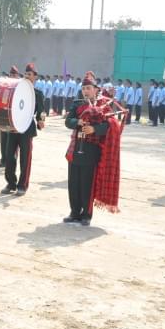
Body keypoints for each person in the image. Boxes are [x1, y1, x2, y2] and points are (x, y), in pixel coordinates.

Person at [64, 72, 122, 226]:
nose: (85, 91)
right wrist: (78, 122)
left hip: (92, 150)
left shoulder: (103, 104)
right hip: (76, 147)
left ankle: (86, 214)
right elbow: (68, 121)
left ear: (96, 89)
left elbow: (111, 125)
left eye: (88, 88)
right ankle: (74, 212)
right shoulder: (77, 104)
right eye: (84, 88)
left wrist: (95, 129)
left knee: (87, 183)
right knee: (74, 182)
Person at [1, 63, 45, 196]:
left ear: (35, 77)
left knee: (25, 158)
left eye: (29, 74)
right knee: (9, 157)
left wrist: (41, 120)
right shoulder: (16, 90)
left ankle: (22, 185)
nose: (26, 76)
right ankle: (10, 183)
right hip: (14, 127)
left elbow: (41, 111)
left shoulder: (38, 94)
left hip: (27, 128)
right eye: (25, 74)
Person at [0, 65, 20, 167]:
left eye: (14, 74)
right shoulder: (5, 84)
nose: (12, 76)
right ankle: (3, 159)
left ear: (17, 75)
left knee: (13, 140)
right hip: (5, 115)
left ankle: (11, 161)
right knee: (3, 138)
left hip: (14, 117)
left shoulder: (20, 86)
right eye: (11, 74)